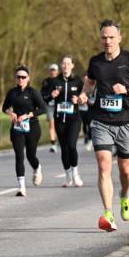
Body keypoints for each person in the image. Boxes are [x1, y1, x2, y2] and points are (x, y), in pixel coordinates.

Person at [82, 20, 129, 232]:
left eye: (111, 37)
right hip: (101, 121)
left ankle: (125, 195)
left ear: (120, 38)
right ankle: (108, 213)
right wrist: (85, 94)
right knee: (104, 165)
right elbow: (90, 82)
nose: (107, 41)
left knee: (125, 170)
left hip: (125, 121)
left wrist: (127, 89)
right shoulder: (95, 62)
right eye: (104, 37)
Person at [2, 66, 47, 197]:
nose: (20, 79)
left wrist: (28, 115)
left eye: (23, 77)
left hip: (32, 127)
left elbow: (42, 109)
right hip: (17, 128)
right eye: (18, 77)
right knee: (19, 156)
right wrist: (10, 113)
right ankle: (21, 187)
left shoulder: (33, 92)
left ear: (28, 78)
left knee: (30, 155)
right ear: (15, 79)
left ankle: (37, 168)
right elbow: (4, 108)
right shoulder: (12, 93)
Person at [42, 55, 85, 187]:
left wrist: (77, 99)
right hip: (60, 119)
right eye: (63, 63)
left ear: (72, 65)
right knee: (64, 149)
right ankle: (68, 176)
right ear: (61, 66)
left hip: (74, 119)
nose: (66, 66)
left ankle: (76, 173)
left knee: (72, 146)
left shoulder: (78, 81)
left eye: (68, 63)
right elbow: (45, 99)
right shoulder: (54, 82)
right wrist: (51, 96)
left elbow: (85, 98)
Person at [40, 63, 60, 153]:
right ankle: (53, 144)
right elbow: (42, 93)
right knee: (51, 124)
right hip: (49, 105)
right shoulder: (46, 81)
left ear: (57, 71)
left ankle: (60, 141)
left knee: (59, 124)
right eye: (51, 70)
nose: (53, 71)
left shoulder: (61, 80)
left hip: (60, 105)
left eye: (54, 70)